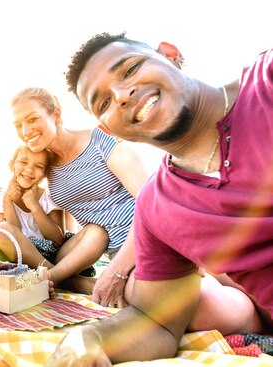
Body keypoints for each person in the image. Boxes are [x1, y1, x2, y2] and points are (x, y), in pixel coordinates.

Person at [46, 32, 271, 366]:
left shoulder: (265, 82)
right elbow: (157, 321)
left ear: (171, 54)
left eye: (130, 69)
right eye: (104, 103)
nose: (122, 95)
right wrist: (87, 338)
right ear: (107, 129)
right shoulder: (158, 206)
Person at [10, 86, 149, 300]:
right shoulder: (45, 164)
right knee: (95, 231)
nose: (25, 131)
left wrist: (117, 271)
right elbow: (22, 184)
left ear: (56, 113)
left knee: (144, 297)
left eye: (32, 119)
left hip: (141, 242)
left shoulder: (100, 139)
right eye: (19, 125)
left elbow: (151, 204)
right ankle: (59, 278)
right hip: (102, 246)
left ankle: (52, 280)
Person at [0, 144, 107, 291]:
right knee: (2, 230)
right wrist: (8, 201)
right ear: (13, 164)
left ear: (45, 173)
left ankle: (53, 276)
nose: (29, 170)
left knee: (97, 230)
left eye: (38, 166)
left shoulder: (49, 197)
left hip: (57, 258)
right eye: (23, 162)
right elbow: (13, 236)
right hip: (23, 261)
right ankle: (67, 280)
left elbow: (58, 239)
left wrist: (35, 207)